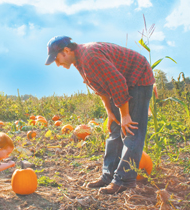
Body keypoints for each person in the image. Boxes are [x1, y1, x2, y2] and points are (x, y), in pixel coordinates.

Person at [45, 36, 154, 194]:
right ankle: (108, 176)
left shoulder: (90, 57)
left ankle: (123, 181)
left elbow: (117, 82)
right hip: (124, 83)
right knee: (115, 130)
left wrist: (125, 115)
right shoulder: (78, 61)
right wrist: (110, 113)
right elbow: (100, 88)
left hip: (138, 79)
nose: (57, 63)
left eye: (57, 59)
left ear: (66, 51)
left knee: (131, 130)